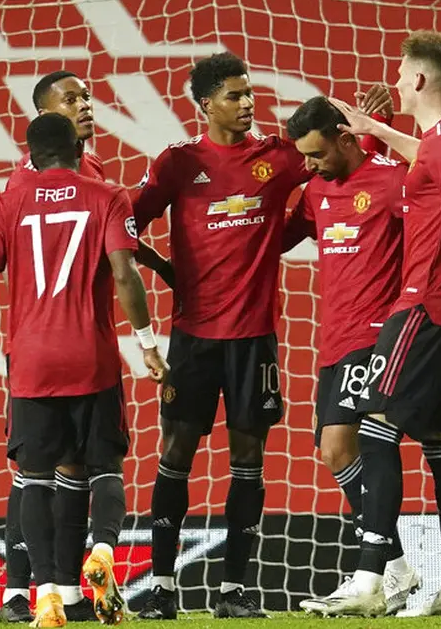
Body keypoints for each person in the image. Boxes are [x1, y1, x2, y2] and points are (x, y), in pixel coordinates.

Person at [281, 95, 441, 615]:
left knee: (351, 443)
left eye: (317, 153)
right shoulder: (315, 191)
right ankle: (410, 572)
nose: (310, 165)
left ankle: (383, 570)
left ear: (344, 140)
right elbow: (279, 237)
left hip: (385, 332)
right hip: (336, 336)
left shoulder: (394, 179)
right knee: (373, 449)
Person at [0, 112, 169, 627]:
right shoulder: (106, 196)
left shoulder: (9, 202)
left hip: (30, 360)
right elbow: (125, 273)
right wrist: (146, 344)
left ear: (31, 155)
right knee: (98, 470)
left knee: (33, 478)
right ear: (77, 148)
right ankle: (98, 555)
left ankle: (52, 592)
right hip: (90, 359)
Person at [129, 52, 310, 619]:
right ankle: (162, 585)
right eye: (234, 95)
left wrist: (369, 132)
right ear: (206, 103)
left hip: (254, 337)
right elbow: (124, 224)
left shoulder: (278, 157)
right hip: (193, 337)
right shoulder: (180, 164)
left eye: (249, 92)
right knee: (176, 452)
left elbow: (332, 157)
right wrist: (161, 268)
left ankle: (234, 590)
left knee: (249, 457)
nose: (247, 102)